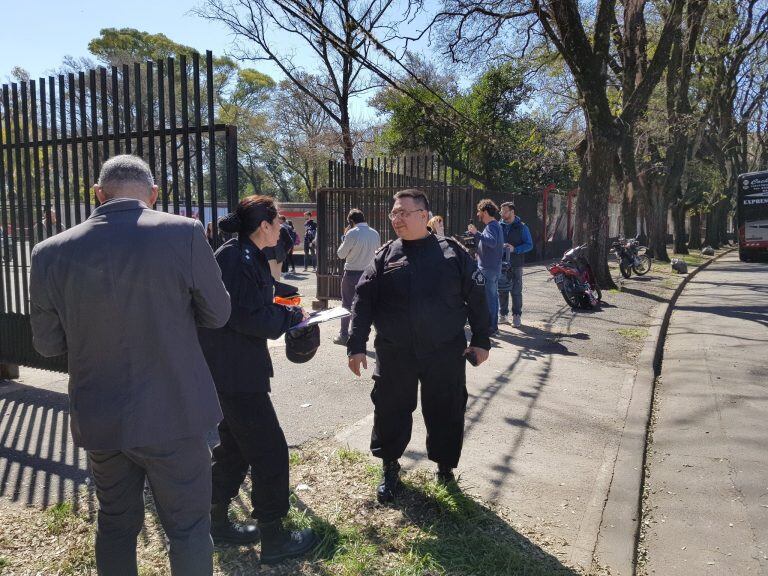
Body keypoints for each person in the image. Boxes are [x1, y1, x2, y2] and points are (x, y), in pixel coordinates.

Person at [29, 154, 231, 576]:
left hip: (102, 417)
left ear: (98, 195)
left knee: (116, 525)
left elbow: (47, 345)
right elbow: (218, 314)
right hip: (176, 410)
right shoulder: (185, 233)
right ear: (154, 195)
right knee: (189, 530)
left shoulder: (48, 252)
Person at [347, 189, 491, 503]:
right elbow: (363, 301)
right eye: (393, 213)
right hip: (395, 351)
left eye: (404, 213)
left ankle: (444, 467)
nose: (396, 219)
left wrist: (482, 340)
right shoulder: (386, 255)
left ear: (424, 216)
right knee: (390, 411)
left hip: (444, 351)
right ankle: (389, 467)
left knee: (446, 409)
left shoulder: (451, 251)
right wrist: (355, 345)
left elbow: (477, 297)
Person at [197, 195, 317, 564]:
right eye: (278, 220)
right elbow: (248, 317)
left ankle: (215, 522)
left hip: (234, 369)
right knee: (270, 453)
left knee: (234, 448)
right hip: (236, 373)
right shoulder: (236, 258)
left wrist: (288, 298)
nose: (282, 225)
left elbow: (260, 292)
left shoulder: (245, 253)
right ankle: (275, 537)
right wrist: (293, 320)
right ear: (263, 225)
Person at [334, 209, 380, 345]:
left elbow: (341, 254)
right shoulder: (375, 233)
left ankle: (344, 335)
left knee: (347, 304)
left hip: (352, 273)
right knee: (367, 305)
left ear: (351, 221)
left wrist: (344, 236)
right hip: (370, 273)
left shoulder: (351, 233)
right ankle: (366, 334)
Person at [467, 199, 504, 335]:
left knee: (490, 298)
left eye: (479, 211)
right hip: (491, 267)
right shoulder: (494, 226)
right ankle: (492, 326)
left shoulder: (492, 226)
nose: (478, 214)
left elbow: (492, 242)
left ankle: (491, 327)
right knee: (492, 297)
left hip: (488, 269)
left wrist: (477, 233)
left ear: (485, 212)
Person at [498, 202, 533, 327]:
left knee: (516, 291)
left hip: (516, 264)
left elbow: (529, 245)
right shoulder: (498, 225)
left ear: (512, 212)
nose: (502, 214)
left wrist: (515, 249)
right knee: (501, 290)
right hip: (501, 264)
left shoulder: (522, 227)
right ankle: (503, 315)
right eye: (501, 212)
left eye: (504, 211)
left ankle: (516, 316)